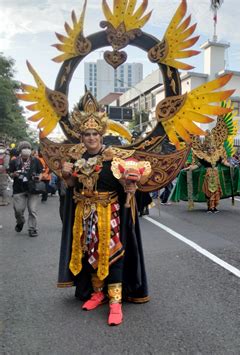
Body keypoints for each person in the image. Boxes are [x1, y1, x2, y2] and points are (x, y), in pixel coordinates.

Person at [57, 92, 149, 326]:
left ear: (101, 134)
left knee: (114, 253)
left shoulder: (113, 158)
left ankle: (115, 301)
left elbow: (129, 184)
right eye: (86, 134)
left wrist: (131, 184)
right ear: (81, 136)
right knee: (90, 255)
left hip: (110, 213)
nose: (90, 138)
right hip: (85, 215)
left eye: (94, 134)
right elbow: (71, 188)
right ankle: (98, 294)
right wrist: (67, 176)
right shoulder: (75, 159)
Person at [8, 141, 43, 237]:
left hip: (33, 188)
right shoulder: (14, 161)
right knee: (18, 210)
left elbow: (40, 172)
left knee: (32, 210)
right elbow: (10, 173)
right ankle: (20, 221)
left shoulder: (36, 160)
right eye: (24, 147)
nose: (26, 149)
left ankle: (32, 229)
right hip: (18, 189)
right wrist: (13, 174)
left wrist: (39, 177)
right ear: (20, 150)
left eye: (28, 147)